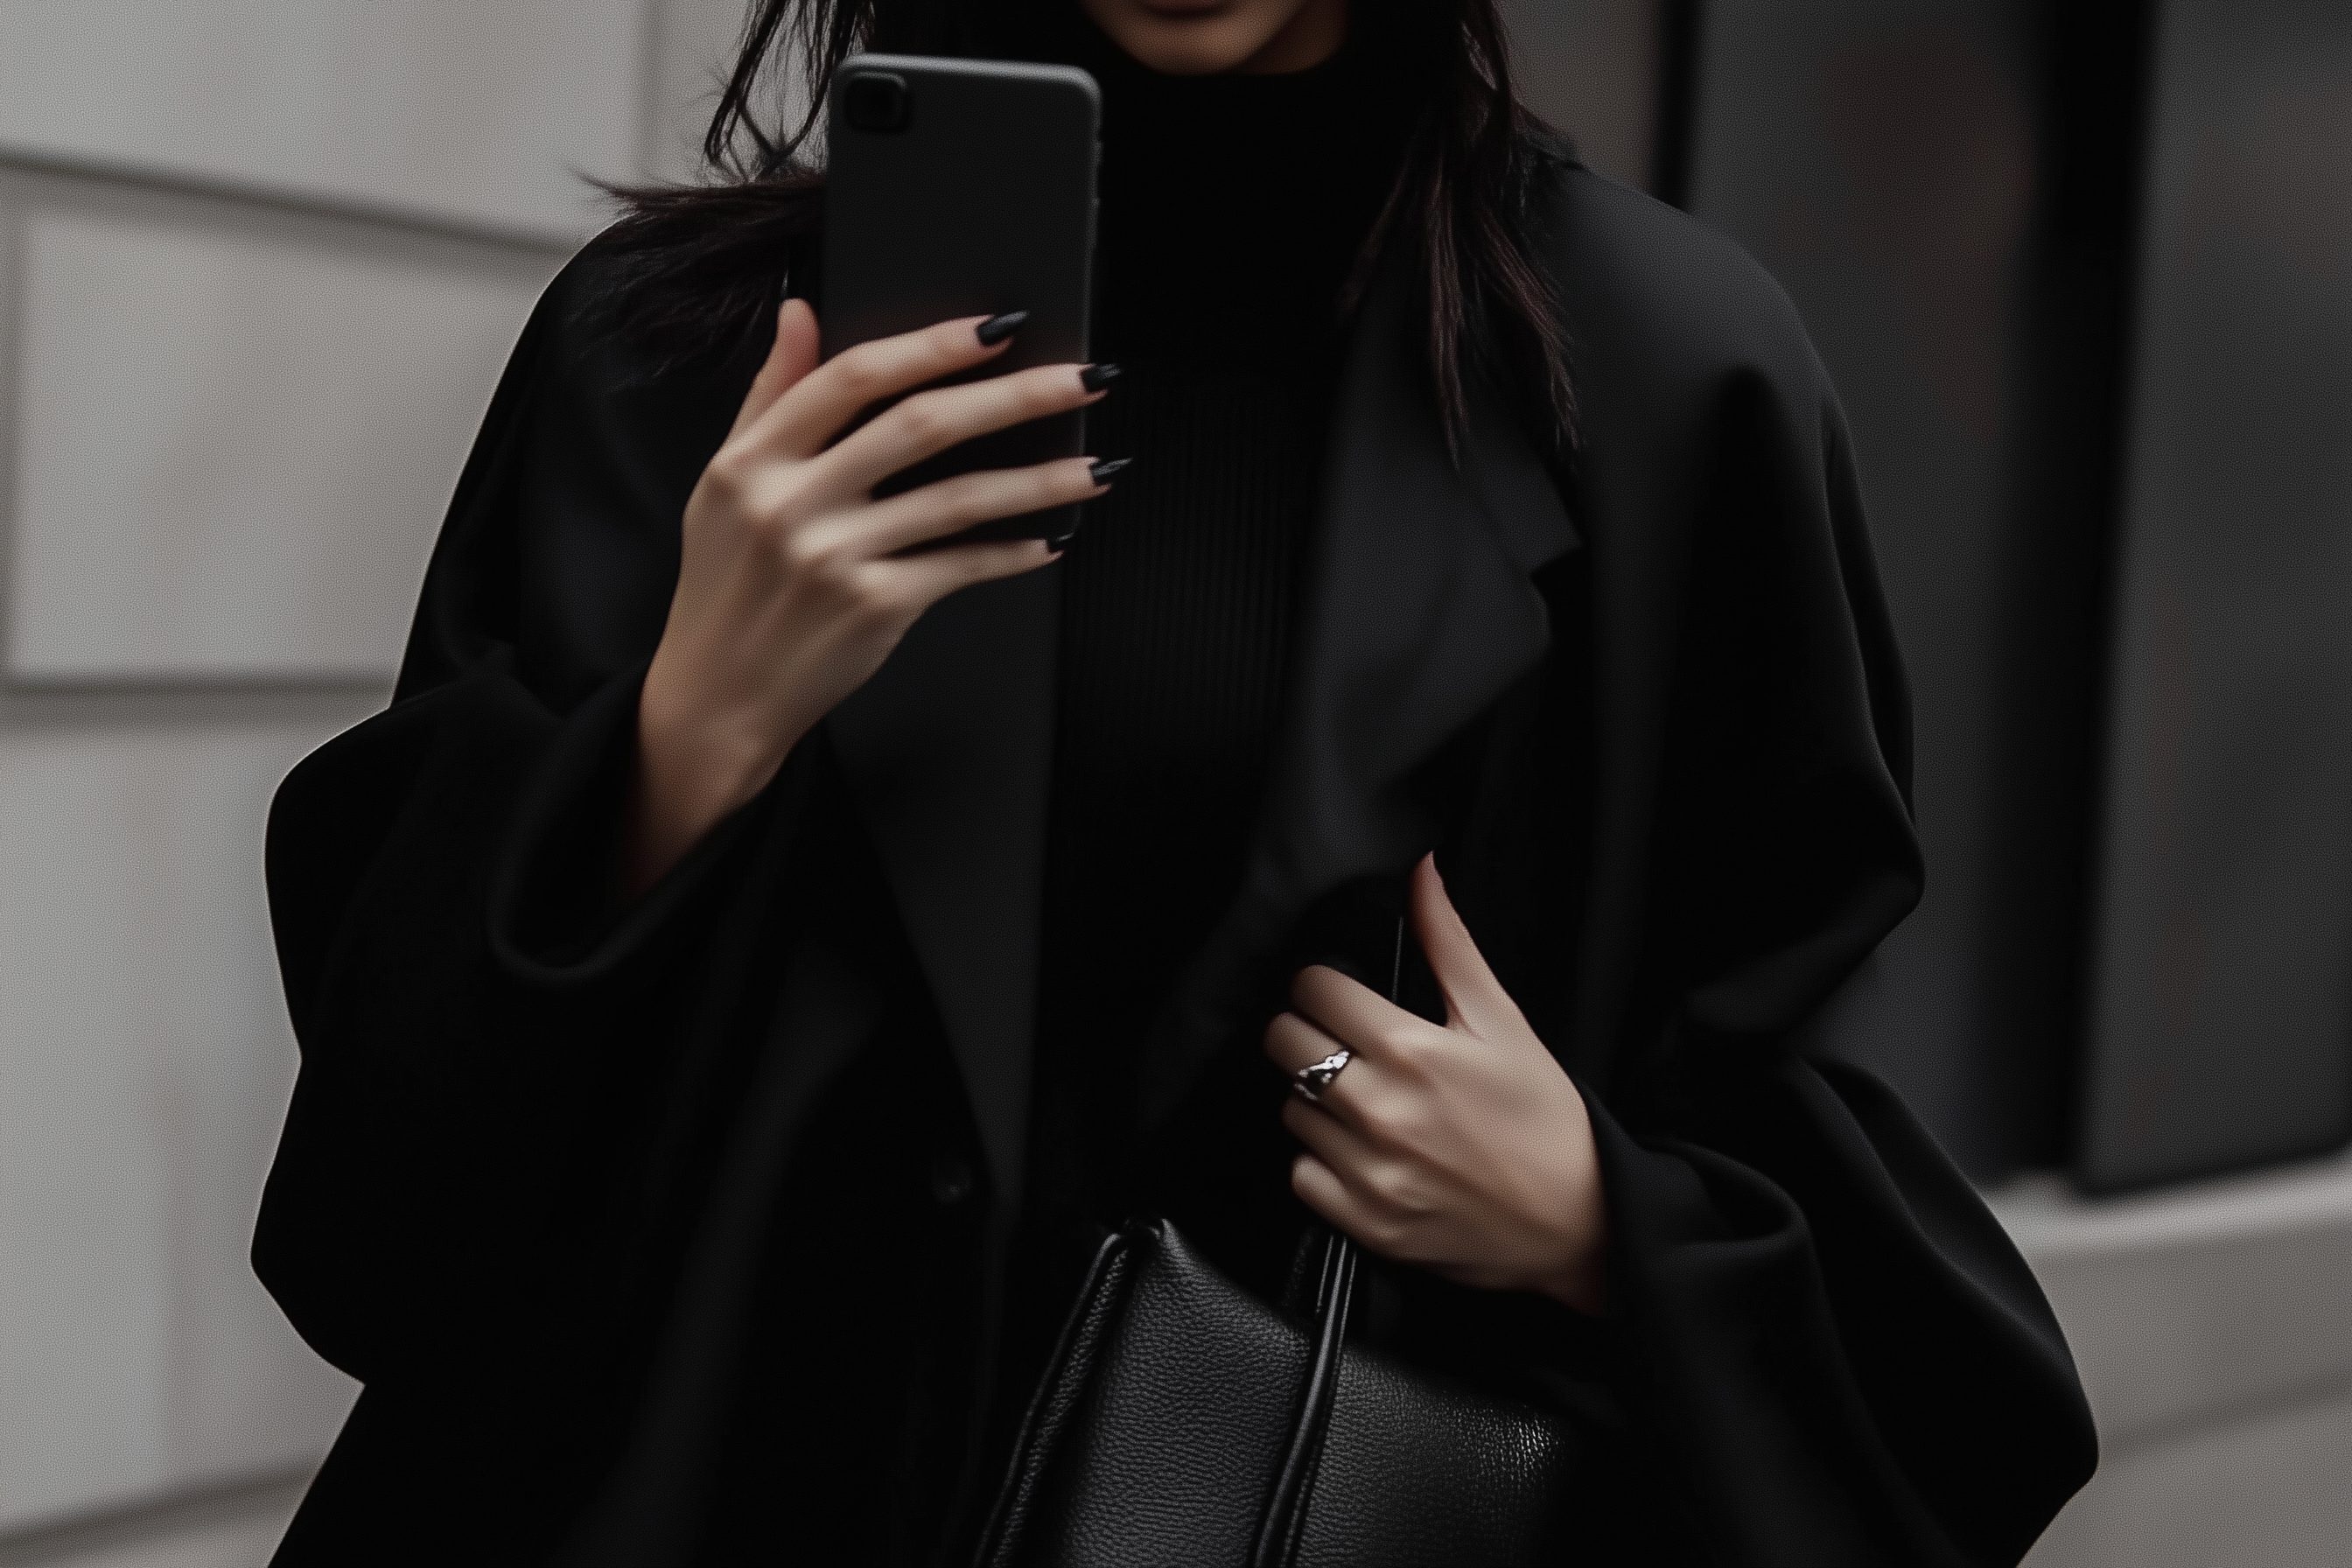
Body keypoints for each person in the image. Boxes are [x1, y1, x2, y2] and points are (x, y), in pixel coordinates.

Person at [252, 0, 2099, 1562]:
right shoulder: (668, 356)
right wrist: (691, 726)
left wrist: (1602, 1221)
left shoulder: (1666, 378)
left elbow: (1918, 1345)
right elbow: (378, 1220)